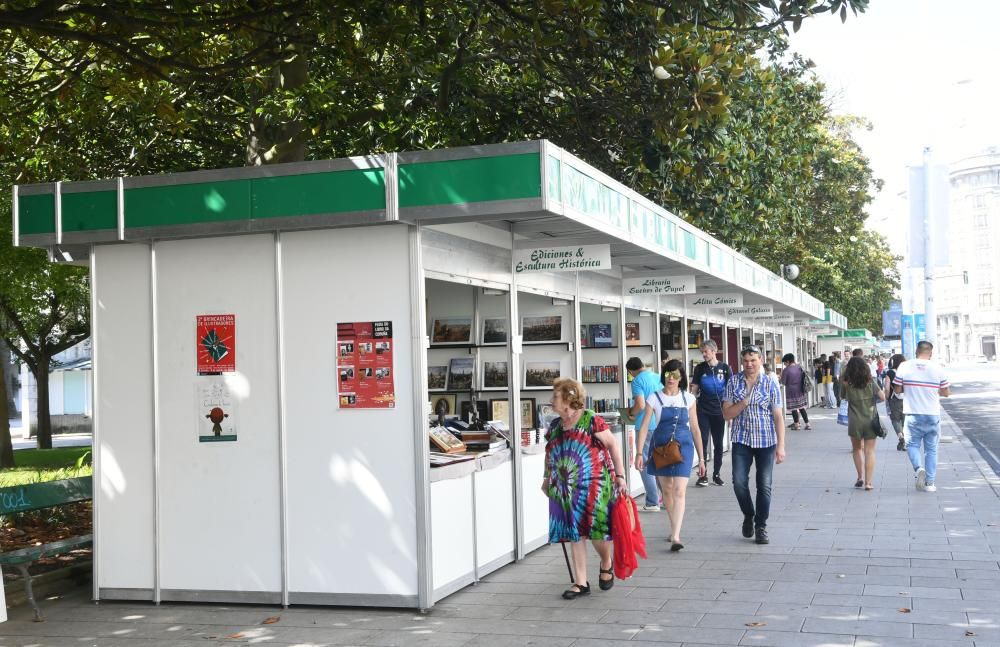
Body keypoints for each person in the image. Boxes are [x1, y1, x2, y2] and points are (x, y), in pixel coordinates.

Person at [542, 377, 629, 598]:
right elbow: (549, 453)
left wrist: (620, 475)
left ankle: (606, 560)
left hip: (595, 486)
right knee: (574, 533)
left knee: (597, 531)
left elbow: (612, 445)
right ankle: (581, 582)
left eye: (555, 396)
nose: (552, 400)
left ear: (568, 400)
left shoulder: (591, 420)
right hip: (565, 488)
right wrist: (546, 479)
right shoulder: (555, 425)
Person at [635, 360, 706, 551]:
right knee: (666, 490)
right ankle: (673, 526)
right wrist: (639, 452)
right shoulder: (654, 398)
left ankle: (676, 536)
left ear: (681, 377)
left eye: (675, 374)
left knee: (679, 491)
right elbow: (644, 428)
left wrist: (702, 458)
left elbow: (696, 429)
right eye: (667, 374)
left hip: (684, 448)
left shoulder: (689, 398)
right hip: (660, 449)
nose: (671, 378)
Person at [722, 345, 786, 545]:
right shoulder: (733, 382)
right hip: (742, 440)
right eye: (746, 361)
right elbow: (726, 414)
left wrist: (781, 445)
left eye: (753, 360)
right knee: (739, 482)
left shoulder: (770, 383)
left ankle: (761, 526)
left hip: (766, 441)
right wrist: (744, 402)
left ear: (760, 361)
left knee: (764, 485)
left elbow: (778, 416)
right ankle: (749, 514)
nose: (749, 364)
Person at [893, 341, 950, 492]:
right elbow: (946, 392)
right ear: (930, 353)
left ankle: (919, 469)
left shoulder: (904, 366)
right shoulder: (938, 368)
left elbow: (897, 390)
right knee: (931, 450)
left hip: (912, 413)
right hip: (932, 414)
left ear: (916, 351)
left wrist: (911, 387)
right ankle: (930, 483)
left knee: (912, 445)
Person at [689, 340, 732, 486]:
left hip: (719, 411)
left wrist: (730, 413)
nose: (704, 354)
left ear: (714, 351)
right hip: (703, 410)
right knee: (703, 441)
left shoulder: (725, 368)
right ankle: (703, 474)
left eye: (706, 351)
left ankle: (717, 473)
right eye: (702, 352)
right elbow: (694, 388)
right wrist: (691, 405)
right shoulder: (700, 368)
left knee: (719, 443)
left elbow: (730, 391)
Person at [841, 356, 886, 490]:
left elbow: (842, 397)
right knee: (870, 451)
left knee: (857, 449)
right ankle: (868, 482)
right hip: (870, 419)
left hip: (854, 420)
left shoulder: (846, 383)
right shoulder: (870, 382)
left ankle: (860, 477)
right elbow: (882, 397)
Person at [626, 357, 663, 511]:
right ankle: (666, 499)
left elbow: (640, 405)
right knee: (660, 463)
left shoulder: (636, 382)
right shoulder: (656, 376)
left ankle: (652, 501)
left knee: (645, 463)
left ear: (631, 371)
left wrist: (630, 414)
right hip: (660, 423)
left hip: (645, 426)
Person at [779, 353, 810, 430]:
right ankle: (807, 424)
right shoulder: (799, 367)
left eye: (785, 362)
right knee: (802, 408)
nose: (785, 364)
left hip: (791, 391)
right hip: (800, 390)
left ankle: (797, 424)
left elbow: (783, 382)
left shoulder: (786, 370)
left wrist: (780, 377)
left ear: (788, 361)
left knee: (794, 408)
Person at [883, 353, 907, 451]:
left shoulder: (890, 373)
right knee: (905, 420)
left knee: (895, 420)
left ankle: (901, 437)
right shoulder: (907, 372)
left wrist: (886, 397)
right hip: (907, 399)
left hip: (894, 400)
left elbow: (887, 388)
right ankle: (905, 440)